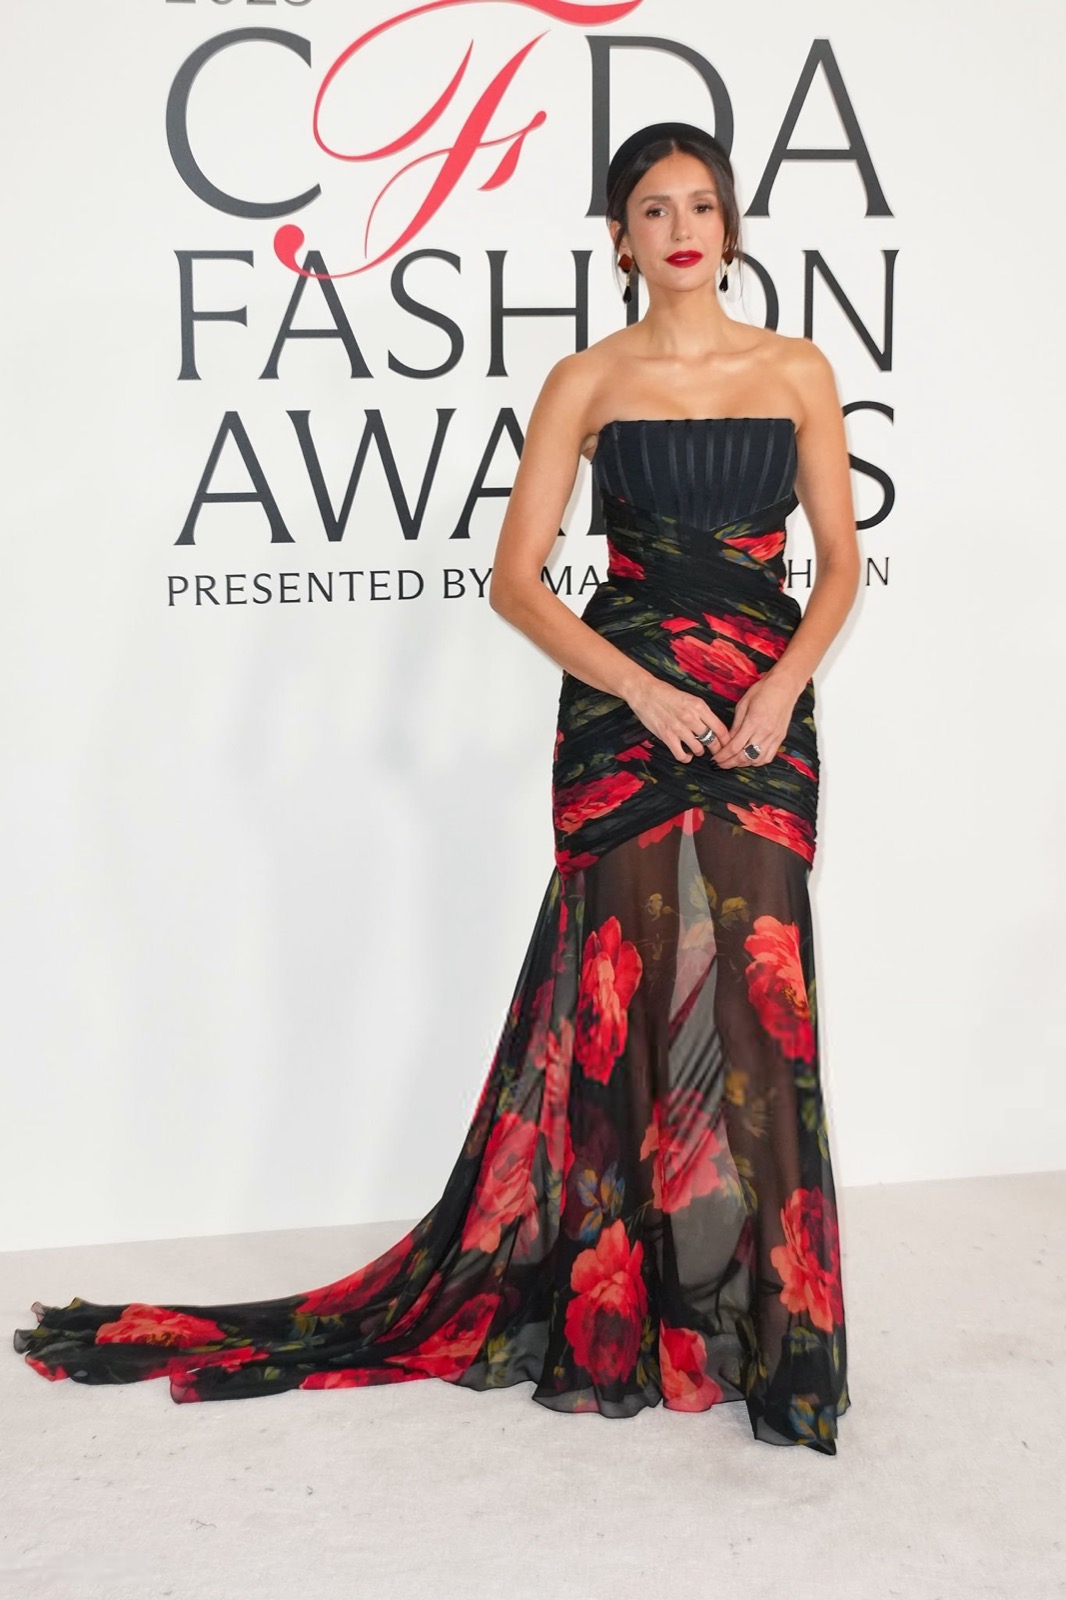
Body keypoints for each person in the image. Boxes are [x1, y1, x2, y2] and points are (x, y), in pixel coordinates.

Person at [14, 122, 859, 1455]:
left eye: (700, 205)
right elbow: (517, 581)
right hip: (623, 711)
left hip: (763, 709)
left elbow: (839, 566)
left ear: (730, 223)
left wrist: (779, 685)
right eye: (653, 209)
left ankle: (773, 1338)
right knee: (619, 999)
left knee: (761, 1003)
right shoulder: (585, 380)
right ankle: (619, 1322)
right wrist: (643, 693)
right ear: (620, 238)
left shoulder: (798, 368)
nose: (681, 229)